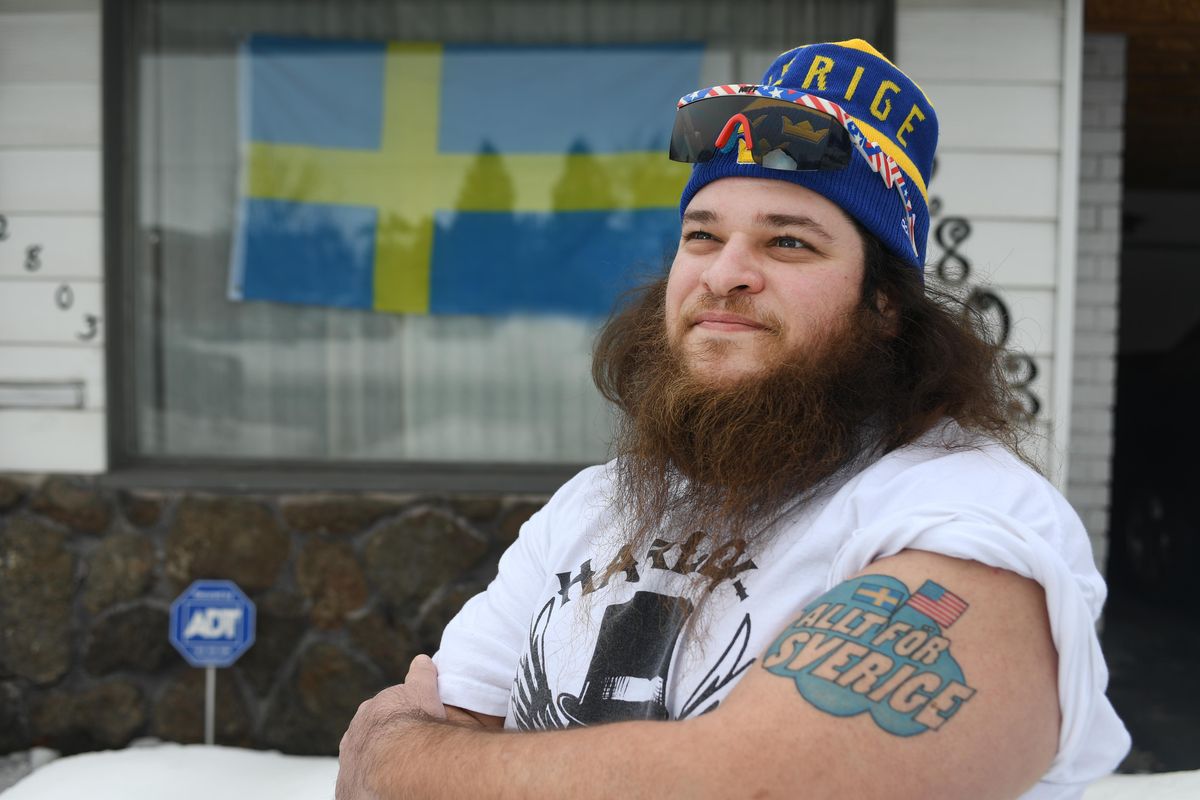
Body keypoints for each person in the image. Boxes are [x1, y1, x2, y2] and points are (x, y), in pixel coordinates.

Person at [336, 39, 1130, 799]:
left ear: (884, 304)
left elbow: (756, 788)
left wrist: (401, 755)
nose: (725, 274)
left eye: (788, 242)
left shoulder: (967, 517)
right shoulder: (591, 507)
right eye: (701, 236)